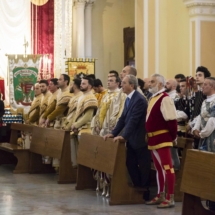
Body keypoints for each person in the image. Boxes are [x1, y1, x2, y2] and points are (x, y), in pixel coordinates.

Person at [104, 75, 151, 200]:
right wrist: (114, 133)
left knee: (143, 165)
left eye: (124, 83)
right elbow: (123, 118)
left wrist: (124, 136)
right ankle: (137, 188)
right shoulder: (128, 99)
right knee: (130, 163)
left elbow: (134, 121)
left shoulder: (140, 100)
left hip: (140, 139)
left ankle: (145, 191)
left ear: (132, 85)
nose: (121, 85)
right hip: (132, 139)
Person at [145, 74, 177, 208]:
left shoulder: (165, 99)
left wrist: (173, 137)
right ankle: (160, 194)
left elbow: (171, 120)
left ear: (159, 84)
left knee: (167, 167)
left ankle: (170, 197)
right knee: (158, 168)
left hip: (162, 138)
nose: (150, 84)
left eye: (153, 82)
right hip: (153, 138)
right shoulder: (153, 98)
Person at [91, 75, 120, 196]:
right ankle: (100, 182)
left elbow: (117, 112)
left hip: (109, 129)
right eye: (107, 80)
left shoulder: (119, 95)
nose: (108, 82)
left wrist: (111, 127)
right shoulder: (106, 94)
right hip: (100, 129)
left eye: (111, 81)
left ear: (118, 83)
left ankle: (109, 184)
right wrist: (96, 124)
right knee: (100, 157)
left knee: (107, 158)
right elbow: (99, 111)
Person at [69, 77, 98, 168]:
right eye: (81, 83)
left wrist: (76, 124)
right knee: (79, 156)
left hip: (86, 129)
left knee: (84, 157)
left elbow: (88, 116)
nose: (81, 85)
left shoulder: (91, 97)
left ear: (90, 86)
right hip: (78, 129)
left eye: (84, 84)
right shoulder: (82, 96)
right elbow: (77, 114)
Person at [188, 66, 211, 148]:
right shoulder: (198, 93)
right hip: (196, 128)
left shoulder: (208, 94)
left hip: (205, 129)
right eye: (196, 75)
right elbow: (194, 110)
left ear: (206, 78)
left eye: (200, 75)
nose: (197, 77)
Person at [192, 77, 215, 151]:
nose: (202, 86)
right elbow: (201, 116)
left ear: (212, 86)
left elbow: (212, 121)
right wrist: (195, 128)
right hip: (203, 136)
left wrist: (201, 134)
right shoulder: (204, 101)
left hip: (212, 136)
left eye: (205, 84)